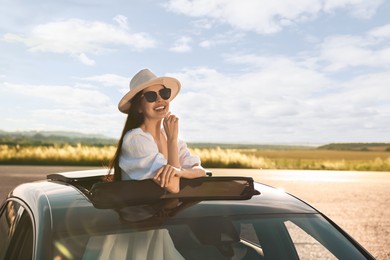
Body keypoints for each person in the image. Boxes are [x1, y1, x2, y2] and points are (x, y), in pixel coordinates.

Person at [108, 68, 205, 193]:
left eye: (164, 93)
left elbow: (200, 170)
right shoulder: (135, 139)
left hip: (167, 210)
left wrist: (180, 172)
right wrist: (171, 140)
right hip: (141, 210)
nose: (160, 99)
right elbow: (173, 186)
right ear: (139, 107)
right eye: (151, 96)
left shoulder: (169, 135)